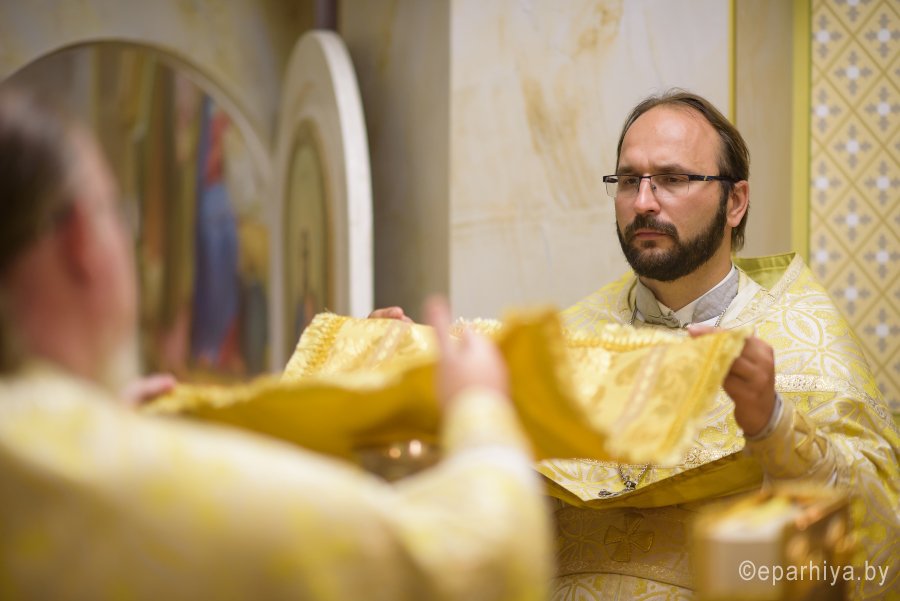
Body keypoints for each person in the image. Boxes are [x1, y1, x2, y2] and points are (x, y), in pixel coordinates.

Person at [0, 87, 551, 600]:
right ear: (80, 241)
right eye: (114, 212)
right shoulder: (93, 470)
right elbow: (480, 564)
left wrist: (105, 420)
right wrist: (478, 404)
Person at [373, 90, 898, 600]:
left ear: (735, 202)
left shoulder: (804, 340)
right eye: (629, 181)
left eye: (672, 179)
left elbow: (880, 543)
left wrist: (773, 424)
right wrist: (402, 388)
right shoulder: (572, 339)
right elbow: (478, 520)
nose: (643, 203)